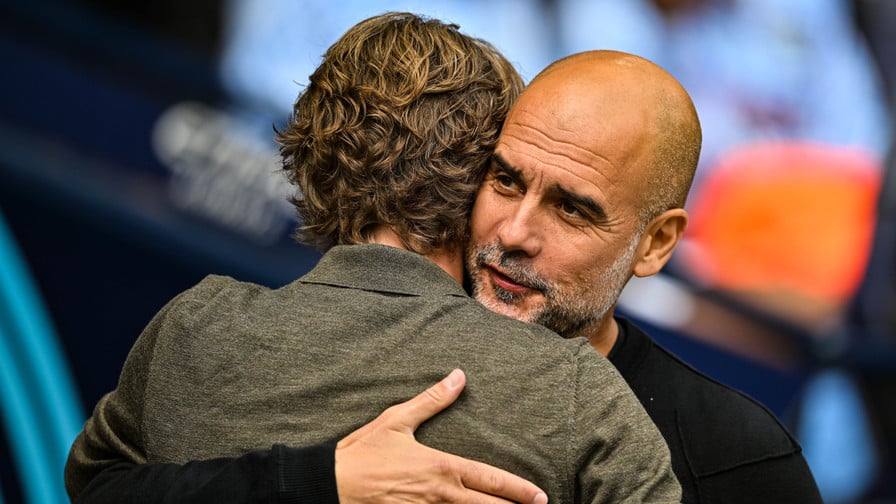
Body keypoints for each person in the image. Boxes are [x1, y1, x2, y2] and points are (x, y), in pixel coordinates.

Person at [72, 47, 822, 503]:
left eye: (572, 209)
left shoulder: (735, 454)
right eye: (505, 180)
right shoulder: (290, 338)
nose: (515, 233)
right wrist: (318, 480)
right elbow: (96, 484)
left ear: (655, 244)